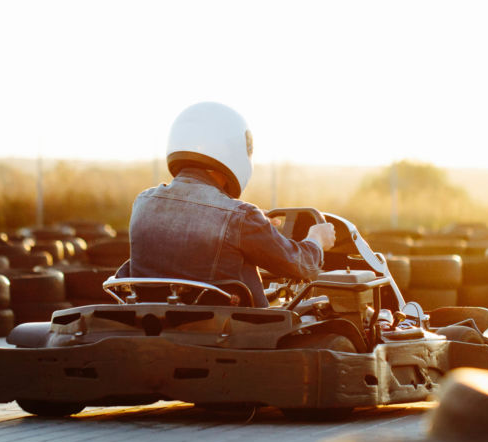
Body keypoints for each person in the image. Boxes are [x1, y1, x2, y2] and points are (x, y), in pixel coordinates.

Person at [127, 102, 335, 307]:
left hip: (151, 325)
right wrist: (316, 240)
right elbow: (298, 266)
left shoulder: (143, 204)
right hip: (233, 332)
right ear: (232, 150)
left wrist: (255, 225)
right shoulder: (240, 217)